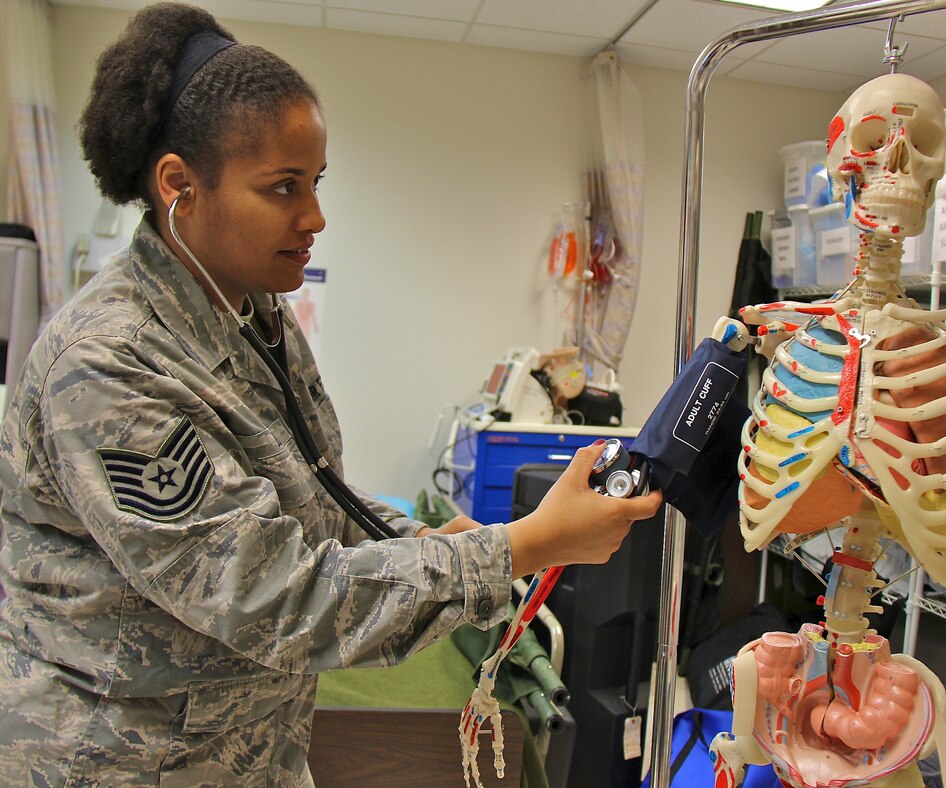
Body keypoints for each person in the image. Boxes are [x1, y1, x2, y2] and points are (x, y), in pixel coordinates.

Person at [0, 3, 662, 785]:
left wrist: (420, 541)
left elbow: (308, 493)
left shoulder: (252, 311)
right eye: (283, 188)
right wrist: (521, 547)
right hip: (119, 764)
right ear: (180, 185)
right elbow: (273, 594)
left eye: (315, 183)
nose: (315, 217)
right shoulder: (105, 366)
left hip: (254, 751)